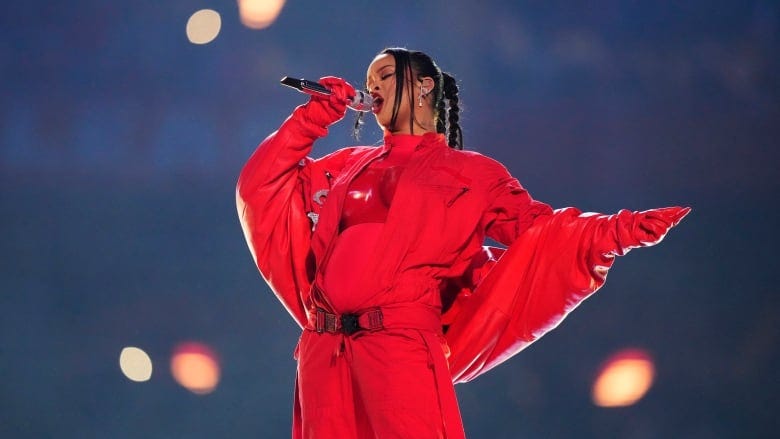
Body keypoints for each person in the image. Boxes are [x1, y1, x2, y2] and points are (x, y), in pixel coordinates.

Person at [236, 47, 690, 439]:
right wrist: (312, 119)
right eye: (368, 80)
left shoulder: (472, 175)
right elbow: (262, 187)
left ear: (424, 87)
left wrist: (616, 231)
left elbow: (540, 229)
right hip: (324, 349)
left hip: (399, 347)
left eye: (386, 75)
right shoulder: (345, 166)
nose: (371, 86)